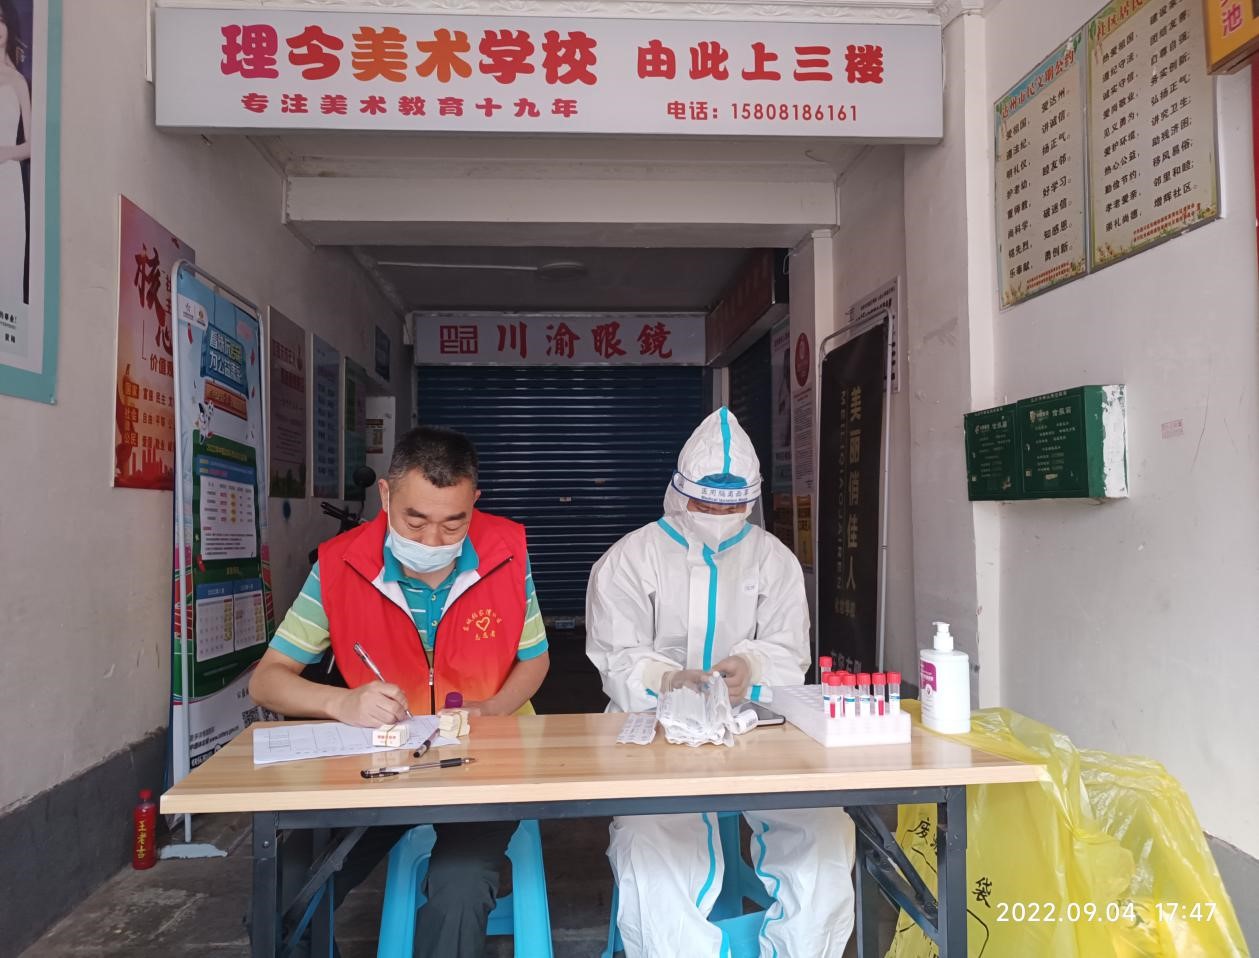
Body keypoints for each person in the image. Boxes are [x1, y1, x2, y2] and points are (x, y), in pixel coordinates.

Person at [249, 425, 550, 958]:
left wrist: (493, 709)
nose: (433, 540)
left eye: (453, 522)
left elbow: (535, 658)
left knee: (460, 885)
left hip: (486, 762)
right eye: (416, 521)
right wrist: (341, 702)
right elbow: (267, 679)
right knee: (281, 894)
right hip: (381, 763)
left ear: (474, 503)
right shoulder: (340, 566)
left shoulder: (506, 552)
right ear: (386, 496)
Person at [586, 407, 855, 958]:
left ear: (750, 503)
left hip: (757, 730)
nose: (718, 517)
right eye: (706, 505)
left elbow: (789, 650)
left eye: (732, 508)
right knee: (650, 845)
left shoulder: (774, 560)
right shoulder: (630, 559)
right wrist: (667, 678)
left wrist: (751, 669)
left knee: (823, 831)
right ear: (679, 493)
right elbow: (615, 656)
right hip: (655, 732)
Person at [0, 0, 31, 307]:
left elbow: (33, 144)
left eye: (1, 20)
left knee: (7, 255)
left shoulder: (18, 82)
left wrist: (7, 152)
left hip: (8, 179)